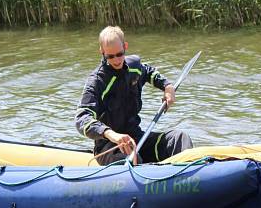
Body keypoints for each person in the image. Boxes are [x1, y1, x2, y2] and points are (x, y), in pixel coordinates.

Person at [75, 26, 193, 165]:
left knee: (179, 138)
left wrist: (167, 86)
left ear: (125, 47)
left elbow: (149, 71)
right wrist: (111, 135)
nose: (116, 60)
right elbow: (82, 118)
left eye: (119, 54)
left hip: (137, 138)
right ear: (102, 52)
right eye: (110, 56)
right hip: (109, 147)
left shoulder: (134, 66)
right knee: (132, 156)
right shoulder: (96, 82)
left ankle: (189, 176)